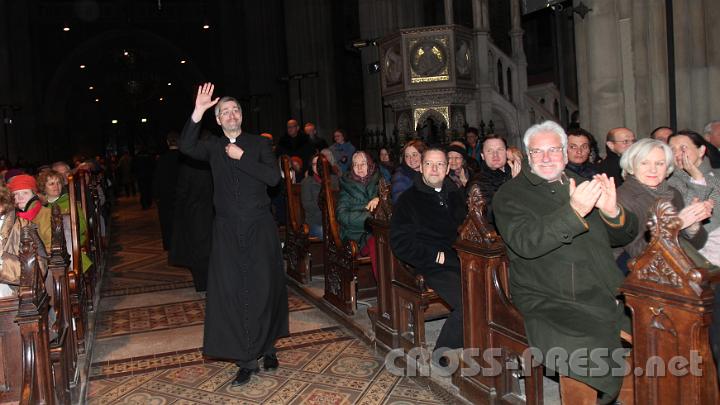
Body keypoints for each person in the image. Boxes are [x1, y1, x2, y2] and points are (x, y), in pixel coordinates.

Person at [493, 121, 639, 404]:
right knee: (583, 345)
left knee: (659, 333)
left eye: (553, 150)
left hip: (605, 286)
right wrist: (574, 212)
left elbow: (624, 235)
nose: (547, 158)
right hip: (549, 293)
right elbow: (526, 242)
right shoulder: (511, 194)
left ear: (564, 152)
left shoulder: (582, 183)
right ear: (527, 155)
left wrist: (612, 211)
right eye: (538, 151)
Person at [178, 82, 288, 386]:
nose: (230, 114)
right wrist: (198, 111)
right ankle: (246, 359)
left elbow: (273, 178)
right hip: (227, 229)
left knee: (264, 288)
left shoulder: (258, 144)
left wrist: (243, 158)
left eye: (235, 110)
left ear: (241, 116)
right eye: (224, 111)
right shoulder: (212, 146)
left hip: (259, 227)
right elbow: (186, 146)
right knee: (233, 292)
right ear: (218, 119)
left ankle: (268, 346)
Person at [390, 148, 467, 365]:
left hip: (463, 259)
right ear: (421, 167)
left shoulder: (456, 194)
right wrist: (435, 256)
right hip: (432, 264)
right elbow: (401, 243)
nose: (435, 169)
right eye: (430, 164)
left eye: (440, 164)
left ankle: (481, 343)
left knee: (493, 293)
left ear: (448, 167)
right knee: (467, 301)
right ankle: (443, 352)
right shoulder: (409, 200)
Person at [616, 138, 712, 260]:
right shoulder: (622, 197)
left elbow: (696, 245)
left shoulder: (671, 192)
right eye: (644, 163)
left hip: (676, 263)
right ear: (631, 166)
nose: (653, 169)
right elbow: (637, 252)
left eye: (660, 163)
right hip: (636, 270)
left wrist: (692, 225)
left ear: (667, 168)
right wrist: (675, 225)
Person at [666, 130, 719, 264]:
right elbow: (692, 215)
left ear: (701, 151)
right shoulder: (671, 182)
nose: (677, 154)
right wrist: (697, 179)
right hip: (704, 245)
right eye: (672, 150)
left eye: (683, 148)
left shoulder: (716, 174)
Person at [37, 170, 92, 272]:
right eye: (51, 184)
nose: (56, 186)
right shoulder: (40, 208)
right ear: (43, 187)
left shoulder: (69, 201)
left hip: (71, 242)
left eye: (58, 183)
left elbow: (82, 226)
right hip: (48, 246)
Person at [467, 134, 520, 225]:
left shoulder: (516, 172)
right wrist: (514, 185)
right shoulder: (477, 183)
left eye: (499, 150)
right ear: (483, 156)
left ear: (506, 153)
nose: (495, 155)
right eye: (489, 151)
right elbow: (492, 216)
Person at [337, 151, 380, 258]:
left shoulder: (379, 182)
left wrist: (378, 199)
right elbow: (341, 215)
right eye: (356, 164)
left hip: (377, 232)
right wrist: (368, 213)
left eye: (363, 163)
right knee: (378, 244)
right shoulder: (347, 187)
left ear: (370, 165)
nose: (359, 167)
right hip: (355, 236)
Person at [7, 174, 52, 253]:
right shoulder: (8, 217)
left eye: (25, 193)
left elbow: (50, 245)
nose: (20, 197)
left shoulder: (46, 214)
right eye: (16, 194)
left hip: (41, 261)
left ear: (34, 194)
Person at [153, 132, 182, 251]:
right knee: (181, 222)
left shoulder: (162, 159)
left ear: (167, 142)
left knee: (166, 223)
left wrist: (156, 195)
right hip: (181, 196)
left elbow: (157, 179)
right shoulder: (184, 158)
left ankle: (169, 245)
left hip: (165, 197)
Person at [301, 154, 337, 239]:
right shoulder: (307, 182)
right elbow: (307, 206)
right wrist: (323, 202)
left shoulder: (334, 180)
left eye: (319, 163)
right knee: (324, 232)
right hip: (315, 222)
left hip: (334, 221)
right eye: (314, 164)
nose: (316, 166)